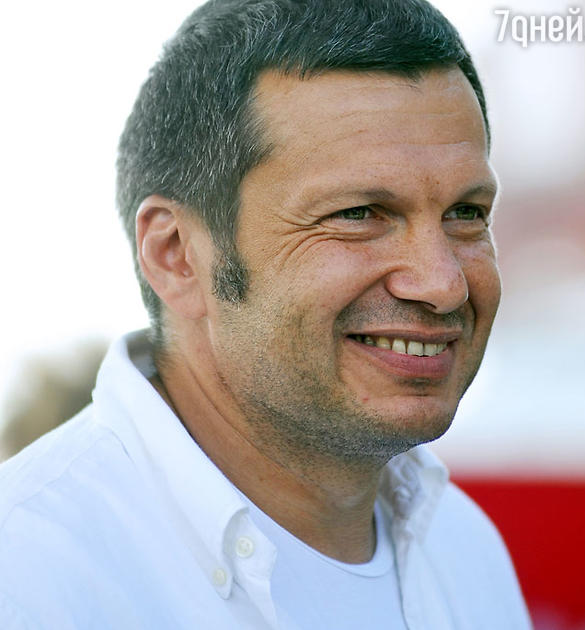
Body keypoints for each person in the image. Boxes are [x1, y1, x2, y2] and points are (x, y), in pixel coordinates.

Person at [0, 0, 531, 628]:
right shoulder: (28, 577)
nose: (443, 284)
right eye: (357, 214)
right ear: (176, 255)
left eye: (466, 214)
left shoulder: (465, 550)